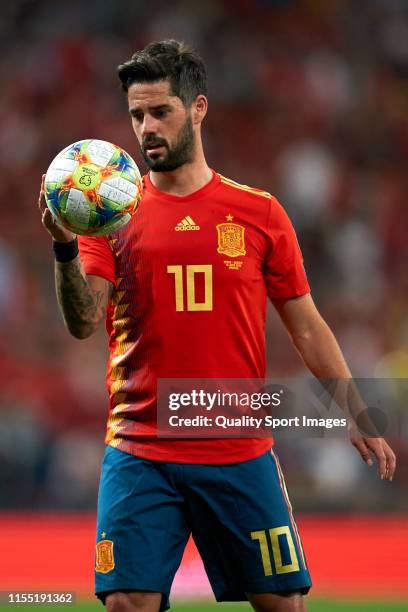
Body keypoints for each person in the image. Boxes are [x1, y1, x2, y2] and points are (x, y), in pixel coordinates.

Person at [38, 40, 396, 612]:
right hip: (140, 449)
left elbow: (305, 325)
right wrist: (62, 247)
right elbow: (84, 321)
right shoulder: (108, 218)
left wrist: (355, 410)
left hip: (237, 447)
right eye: (136, 115)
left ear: (198, 108)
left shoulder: (259, 213)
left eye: (160, 112)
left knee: (283, 605)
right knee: (127, 604)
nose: (146, 128)